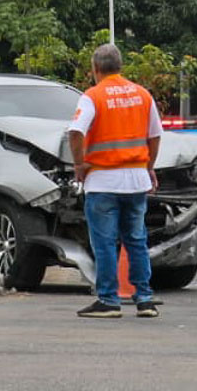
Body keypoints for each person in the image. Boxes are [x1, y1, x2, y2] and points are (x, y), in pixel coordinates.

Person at [67, 43, 163, 319]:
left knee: (105, 242)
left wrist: (78, 163)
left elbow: (75, 131)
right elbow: (155, 136)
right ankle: (145, 299)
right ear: (120, 66)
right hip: (136, 179)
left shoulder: (93, 96)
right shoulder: (142, 95)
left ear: (95, 69)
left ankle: (108, 300)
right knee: (136, 240)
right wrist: (149, 166)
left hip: (103, 181)